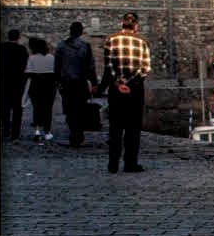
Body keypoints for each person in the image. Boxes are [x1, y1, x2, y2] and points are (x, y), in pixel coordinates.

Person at [99, 11, 150, 173]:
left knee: (115, 126)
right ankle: (130, 162)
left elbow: (108, 66)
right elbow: (145, 68)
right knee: (133, 127)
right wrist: (129, 81)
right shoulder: (142, 42)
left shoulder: (111, 40)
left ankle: (113, 162)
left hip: (116, 88)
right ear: (136, 25)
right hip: (135, 88)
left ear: (122, 24)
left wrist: (118, 81)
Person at [55, 22, 95, 147]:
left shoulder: (61, 46)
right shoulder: (85, 46)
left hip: (66, 83)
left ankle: (74, 133)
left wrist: (57, 81)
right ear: (81, 32)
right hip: (80, 82)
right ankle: (78, 133)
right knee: (80, 109)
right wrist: (94, 83)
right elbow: (90, 67)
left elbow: (57, 66)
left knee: (69, 110)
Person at [23, 37, 58, 143]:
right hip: (49, 84)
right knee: (48, 108)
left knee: (37, 107)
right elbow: (55, 71)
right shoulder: (51, 57)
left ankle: (37, 131)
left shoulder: (32, 58)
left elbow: (28, 72)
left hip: (36, 84)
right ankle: (47, 132)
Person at [0, 28, 28, 140]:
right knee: (17, 109)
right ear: (18, 37)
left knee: (4, 108)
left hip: (3, 82)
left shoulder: (1, 48)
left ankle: (5, 130)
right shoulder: (21, 49)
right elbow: (25, 66)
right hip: (17, 83)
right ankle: (15, 133)